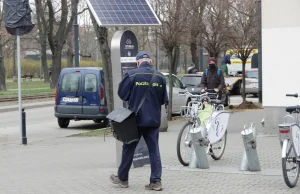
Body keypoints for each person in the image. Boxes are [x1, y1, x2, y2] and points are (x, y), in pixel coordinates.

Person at [110, 51, 168, 191]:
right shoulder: (160, 77)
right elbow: (163, 100)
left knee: (128, 148)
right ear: (150, 61)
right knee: (154, 151)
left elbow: (122, 95)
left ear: (137, 62)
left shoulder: (132, 75)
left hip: (135, 121)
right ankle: (156, 181)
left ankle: (123, 179)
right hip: (153, 121)